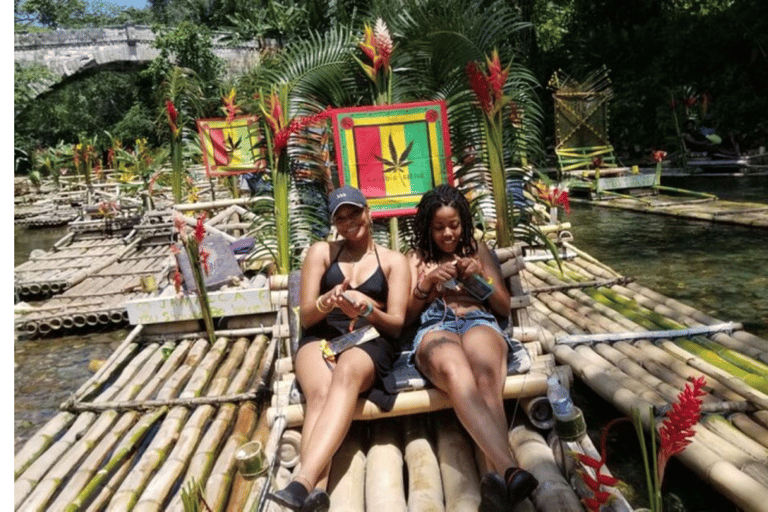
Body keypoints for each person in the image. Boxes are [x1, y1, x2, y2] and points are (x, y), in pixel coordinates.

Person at [270, 185, 411, 512]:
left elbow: (396, 323)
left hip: (371, 339)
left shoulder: (394, 261)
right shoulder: (321, 252)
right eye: (341, 218)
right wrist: (326, 300)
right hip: (321, 335)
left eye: (354, 213)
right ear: (334, 222)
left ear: (368, 211)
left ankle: (302, 481)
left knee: (345, 373)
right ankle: (316, 492)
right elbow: (306, 316)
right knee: (319, 392)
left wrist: (366, 310)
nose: (349, 223)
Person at [405, 184, 538, 512]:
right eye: (439, 227)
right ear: (427, 227)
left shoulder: (477, 249)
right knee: (455, 369)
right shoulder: (417, 258)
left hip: (478, 319)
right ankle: (508, 469)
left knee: (485, 373)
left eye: (454, 225)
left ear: (464, 222)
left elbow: (503, 307)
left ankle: (500, 476)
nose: (448, 233)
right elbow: (405, 317)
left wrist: (480, 278)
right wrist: (426, 284)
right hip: (436, 326)